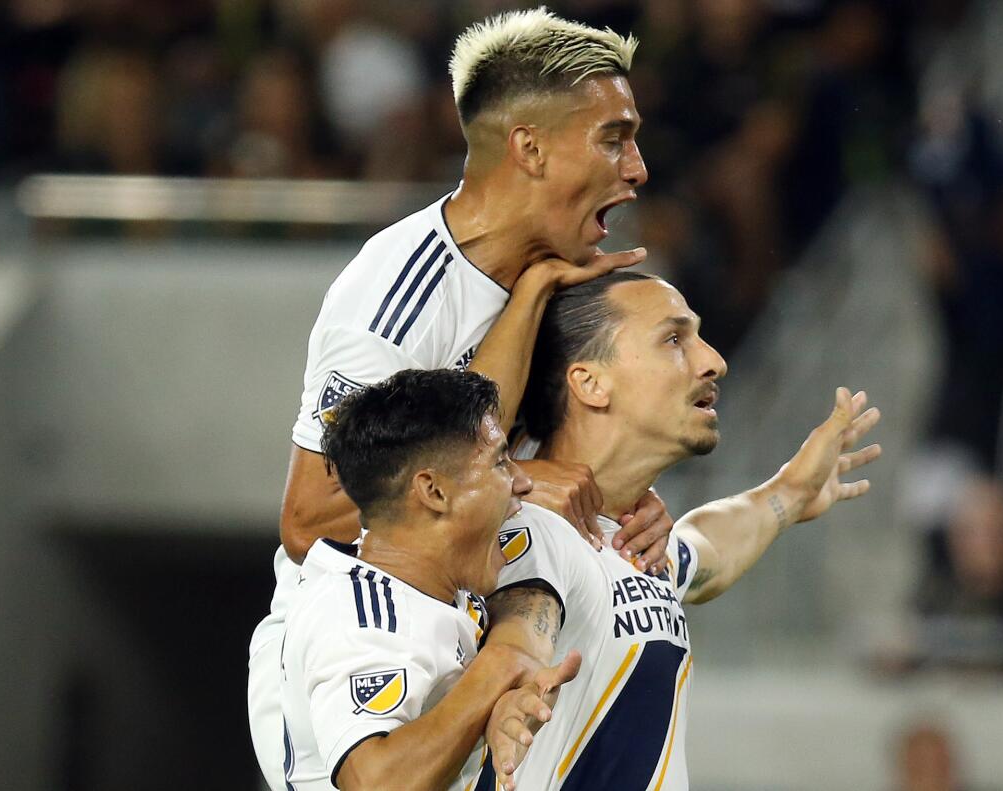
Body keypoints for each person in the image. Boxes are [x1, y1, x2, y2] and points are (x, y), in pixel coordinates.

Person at [250, 9, 673, 789]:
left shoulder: (549, 282)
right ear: (531, 148)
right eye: (614, 137)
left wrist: (629, 503)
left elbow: (549, 466)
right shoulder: (396, 300)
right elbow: (309, 518)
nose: (638, 167)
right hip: (367, 663)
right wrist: (523, 487)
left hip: (473, 640)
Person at [478, 271, 882, 789]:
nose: (713, 359)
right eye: (674, 339)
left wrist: (787, 495)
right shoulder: (522, 535)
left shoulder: (633, 544)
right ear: (590, 383)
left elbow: (704, 552)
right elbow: (513, 647)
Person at [281, 368, 580, 790]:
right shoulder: (359, 616)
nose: (523, 481)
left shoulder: (434, 596)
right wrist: (497, 668)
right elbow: (375, 783)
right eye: (499, 462)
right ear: (433, 492)